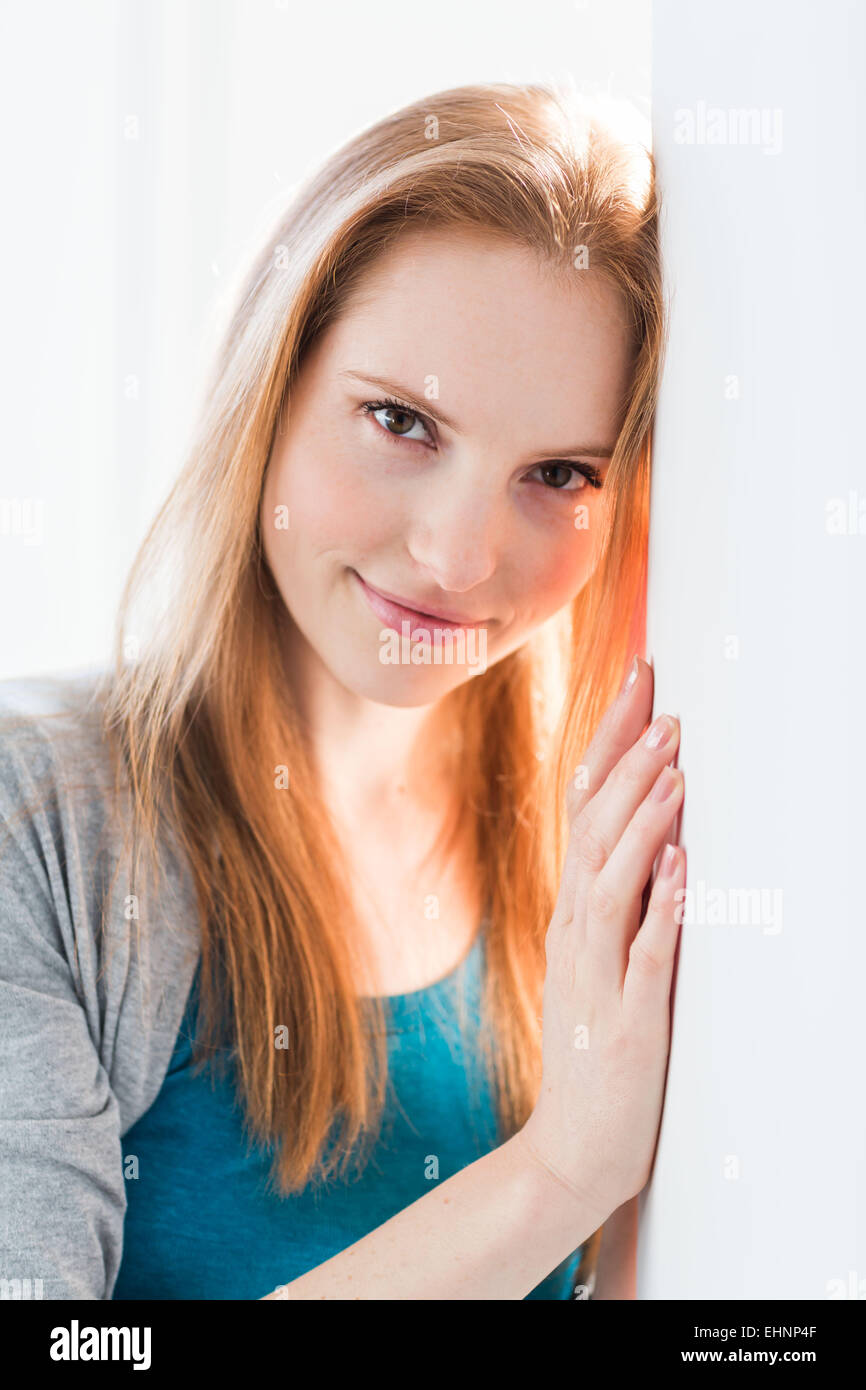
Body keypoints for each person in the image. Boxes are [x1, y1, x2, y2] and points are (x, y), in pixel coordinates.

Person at [0, 80, 683, 1300]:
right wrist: (554, 1179)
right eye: (401, 422)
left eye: (558, 473)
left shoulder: (605, 854)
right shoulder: (38, 827)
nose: (459, 558)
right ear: (271, 392)